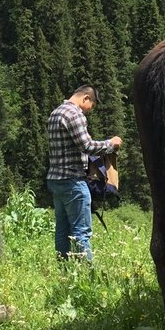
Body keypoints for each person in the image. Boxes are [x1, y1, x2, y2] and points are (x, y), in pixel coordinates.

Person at [45, 85, 122, 262]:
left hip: (56, 180)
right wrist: (111, 143)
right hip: (73, 181)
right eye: (92, 105)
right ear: (85, 98)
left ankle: (64, 269)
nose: (90, 110)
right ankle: (86, 274)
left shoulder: (56, 113)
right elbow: (87, 146)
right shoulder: (74, 114)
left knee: (63, 230)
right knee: (81, 231)